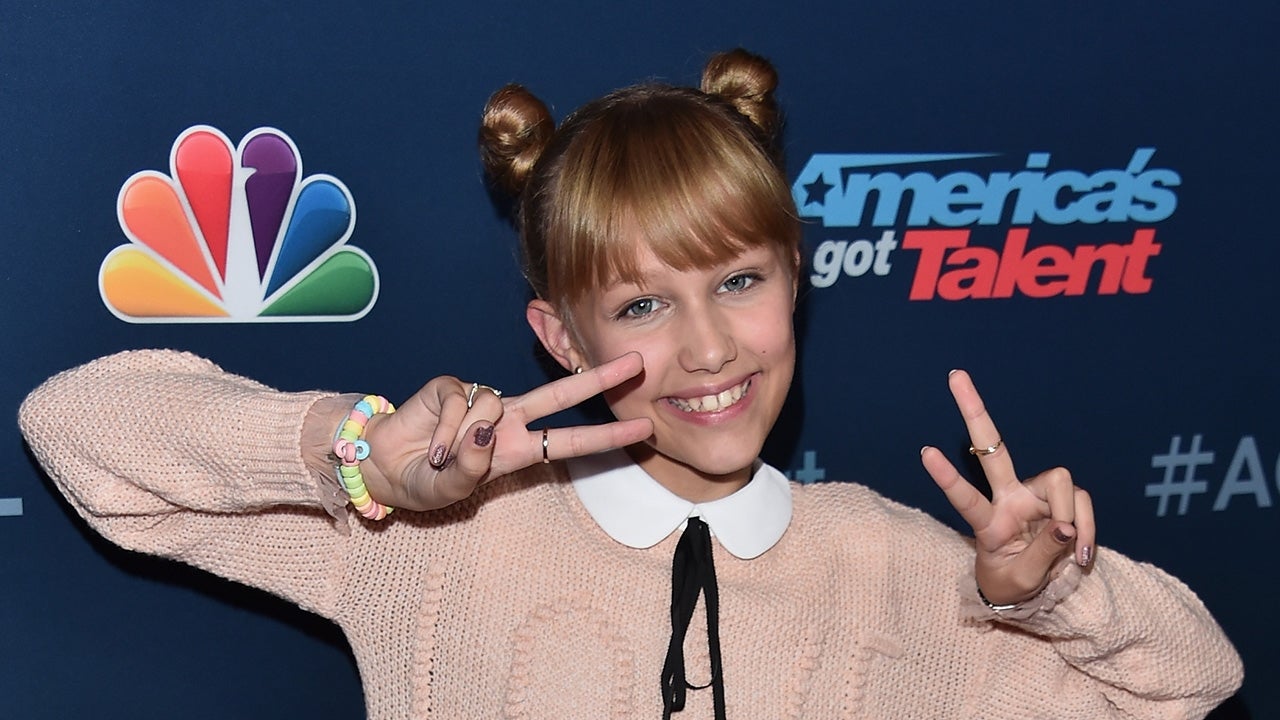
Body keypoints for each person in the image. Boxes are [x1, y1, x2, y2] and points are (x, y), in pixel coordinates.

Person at [20, 49, 1241, 719]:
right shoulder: (438, 538)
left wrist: (1050, 596)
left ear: (797, 280)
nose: (709, 349)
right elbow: (74, 427)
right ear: (559, 336)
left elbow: (1196, 684)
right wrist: (355, 452)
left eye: (739, 281)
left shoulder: (902, 569)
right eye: (644, 304)